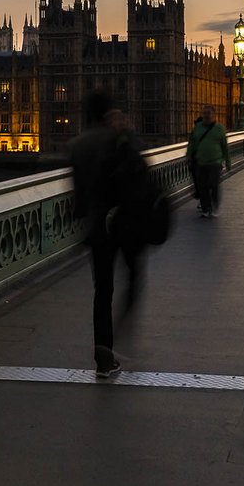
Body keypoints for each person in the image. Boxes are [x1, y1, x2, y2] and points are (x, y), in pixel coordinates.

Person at [69, 88, 148, 379]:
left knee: (102, 291)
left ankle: (103, 354)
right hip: (125, 223)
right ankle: (124, 330)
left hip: (97, 228)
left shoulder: (77, 144)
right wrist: (128, 132)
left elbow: (77, 197)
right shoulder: (118, 137)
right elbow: (140, 166)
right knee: (134, 277)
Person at [187, 105, 230, 218]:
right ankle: (205, 209)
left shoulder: (219, 128)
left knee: (213, 184)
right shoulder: (197, 128)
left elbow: (224, 146)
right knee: (202, 187)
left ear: (213, 115)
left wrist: (228, 161)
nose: (206, 115)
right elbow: (191, 143)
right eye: (204, 113)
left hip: (215, 162)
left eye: (208, 113)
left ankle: (214, 206)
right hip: (201, 162)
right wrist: (189, 156)